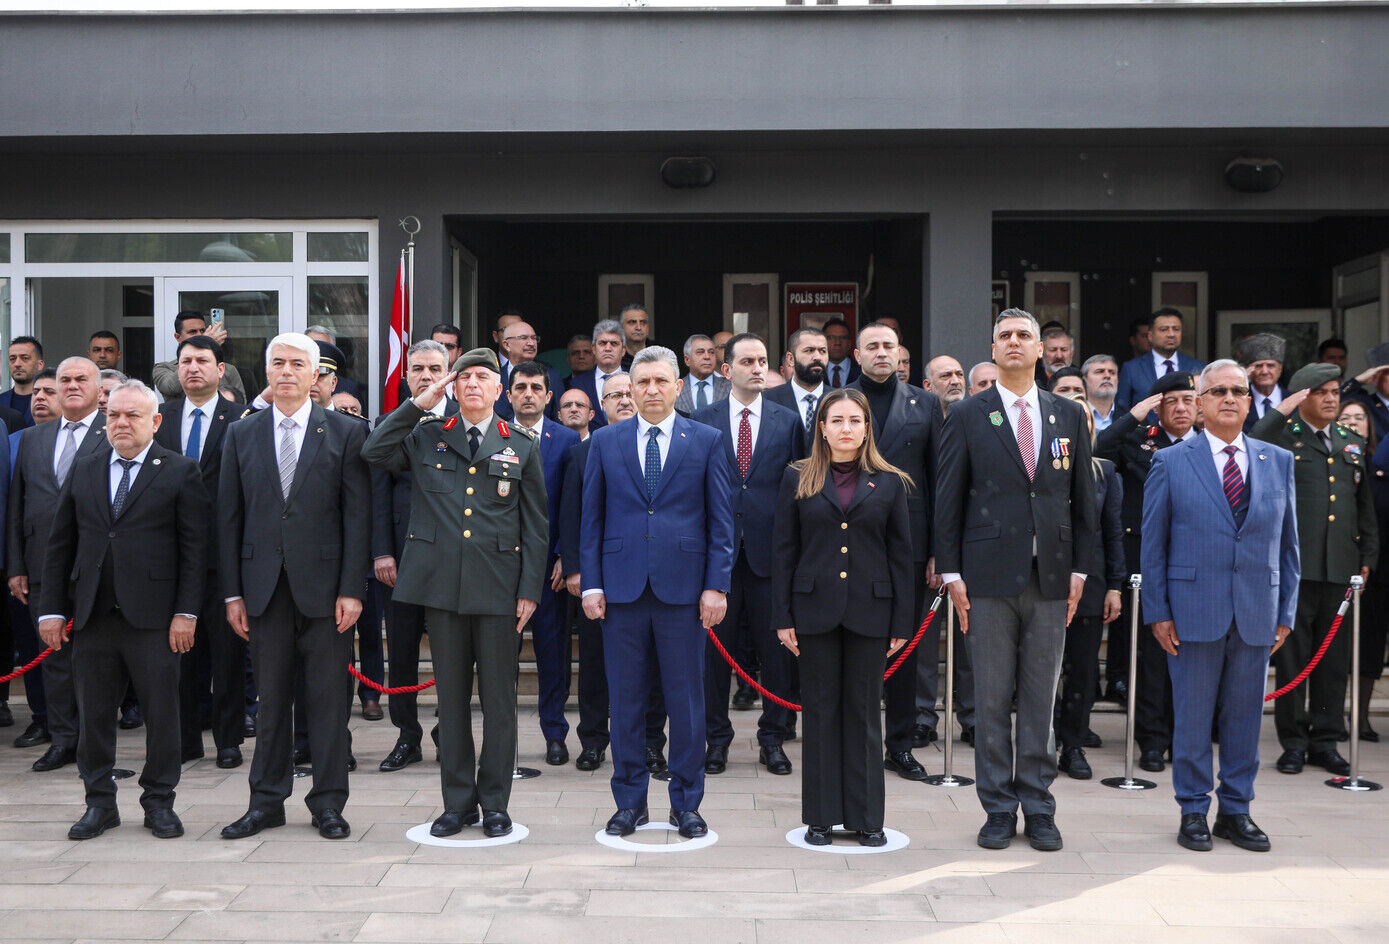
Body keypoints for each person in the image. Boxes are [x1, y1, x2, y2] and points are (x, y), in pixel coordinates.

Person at [363, 348, 547, 839]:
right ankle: (457, 804)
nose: (471, 385)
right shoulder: (427, 436)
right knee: (451, 702)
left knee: (500, 705)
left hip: (498, 591)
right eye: (462, 377)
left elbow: (535, 526)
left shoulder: (522, 445)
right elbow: (375, 451)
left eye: (482, 377)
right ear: (452, 387)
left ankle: (496, 804)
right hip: (442, 591)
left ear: (498, 390)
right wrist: (418, 402)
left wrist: (529, 589)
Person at [935, 308, 1097, 852]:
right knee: (989, 696)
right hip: (986, 577)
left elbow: (1082, 500)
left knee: (1038, 698)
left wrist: (1080, 569)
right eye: (1004, 335)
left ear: (1040, 350)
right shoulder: (967, 413)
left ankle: (1039, 806)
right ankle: (998, 808)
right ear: (994, 347)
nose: (1014, 342)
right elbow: (949, 497)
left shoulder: (1067, 415)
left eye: (1023, 335)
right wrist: (951, 571)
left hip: (1050, 576)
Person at [38, 380, 210, 840]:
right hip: (93, 615)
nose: (121, 423)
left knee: (162, 715)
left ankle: (159, 802)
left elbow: (196, 550)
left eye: (132, 415)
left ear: (154, 422)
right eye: (113, 414)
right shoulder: (86, 467)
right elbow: (61, 544)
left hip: (155, 620)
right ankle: (99, 803)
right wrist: (50, 609)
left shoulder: (179, 471)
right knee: (93, 715)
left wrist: (186, 613)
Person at [218, 332, 370, 841]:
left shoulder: (345, 432)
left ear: (316, 376)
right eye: (278, 363)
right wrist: (233, 593)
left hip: (328, 593)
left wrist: (353, 588)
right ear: (267, 373)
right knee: (270, 699)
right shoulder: (242, 434)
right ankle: (266, 801)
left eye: (297, 364)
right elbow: (229, 519)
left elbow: (357, 517)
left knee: (328, 703)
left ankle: (328, 803)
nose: (287, 372)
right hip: (262, 590)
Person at [1142, 359, 1298, 853]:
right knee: (1191, 716)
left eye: (1238, 391)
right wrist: (1157, 611)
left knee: (1244, 717)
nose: (1229, 398)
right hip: (1192, 610)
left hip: (1256, 610)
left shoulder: (1278, 460)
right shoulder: (1171, 461)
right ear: (1201, 404)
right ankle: (1192, 809)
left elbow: (1288, 546)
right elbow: (1154, 545)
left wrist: (1285, 611)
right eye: (1218, 391)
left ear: (1250, 403)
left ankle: (1236, 810)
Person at [581, 346, 734, 840]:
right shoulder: (605, 441)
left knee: (686, 703)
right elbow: (592, 519)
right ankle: (630, 803)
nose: (649, 391)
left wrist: (716, 585)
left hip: (685, 593)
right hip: (621, 591)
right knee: (624, 702)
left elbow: (721, 521)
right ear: (629, 390)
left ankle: (686, 804)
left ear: (678, 386)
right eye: (640, 383)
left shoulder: (707, 439)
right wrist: (592, 583)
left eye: (659, 382)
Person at [773, 388, 914, 846]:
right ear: (822, 428)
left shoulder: (891, 481)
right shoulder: (797, 477)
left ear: (867, 427)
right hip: (813, 611)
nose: (846, 428)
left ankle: (867, 817)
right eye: (836, 420)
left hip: (870, 613)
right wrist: (782, 615)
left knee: (863, 714)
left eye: (855, 420)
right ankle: (820, 816)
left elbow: (901, 556)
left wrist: (900, 622)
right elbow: (784, 551)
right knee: (819, 714)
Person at [1252, 363, 1378, 776]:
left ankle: (1326, 739)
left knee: (1333, 660)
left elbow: (1364, 508)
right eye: (1320, 392)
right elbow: (1251, 442)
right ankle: (1293, 742)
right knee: (1293, 658)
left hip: (1340, 567)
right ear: (1303, 396)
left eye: (1334, 393)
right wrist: (1280, 411)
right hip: (1295, 568)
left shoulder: (1350, 441)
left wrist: (1368, 555)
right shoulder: (1283, 438)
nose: (1330, 399)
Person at [694, 333, 803, 777]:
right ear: (727, 370)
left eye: (763, 360)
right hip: (716, 559)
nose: (758, 368)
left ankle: (773, 739)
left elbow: (800, 488)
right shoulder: (702, 420)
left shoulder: (788, 421)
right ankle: (716, 741)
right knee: (715, 657)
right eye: (747, 361)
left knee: (775, 651)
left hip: (770, 557)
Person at [560, 371, 670, 773]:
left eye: (629, 392)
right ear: (599, 406)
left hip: (656, 578)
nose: (624, 400)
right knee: (594, 665)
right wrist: (578, 572)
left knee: (654, 668)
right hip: (602, 581)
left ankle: (650, 743)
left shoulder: (666, 447)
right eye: (614, 395)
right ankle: (593, 740)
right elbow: (574, 518)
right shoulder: (583, 453)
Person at [1095, 371, 1200, 769]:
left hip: (1195, 561)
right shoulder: (1140, 440)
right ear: (1159, 406)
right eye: (1171, 401)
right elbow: (1101, 447)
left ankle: (1185, 738)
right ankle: (1152, 740)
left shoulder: (1209, 445)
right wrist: (1136, 415)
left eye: (1188, 400)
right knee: (1151, 654)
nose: (1180, 408)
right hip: (1147, 558)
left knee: (1192, 655)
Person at [8, 357, 107, 772]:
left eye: (80, 379)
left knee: (96, 661)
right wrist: (15, 566)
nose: (70, 386)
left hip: (97, 570)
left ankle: (95, 746)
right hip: (41, 569)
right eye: (63, 380)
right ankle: (63, 739)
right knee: (54, 660)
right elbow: (17, 507)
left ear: (98, 388)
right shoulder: (33, 437)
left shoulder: (114, 433)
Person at [849, 322, 940, 772]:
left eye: (889, 346)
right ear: (857, 353)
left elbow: (939, 478)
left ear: (899, 353)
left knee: (904, 647)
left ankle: (900, 745)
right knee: (856, 643)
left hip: (910, 540)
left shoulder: (925, 404)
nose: (882, 353)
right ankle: (855, 743)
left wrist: (941, 549)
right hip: (851, 539)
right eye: (873, 346)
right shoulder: (840, 402)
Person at [154, 335, 246, 770]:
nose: (192, 368)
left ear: (220, 369)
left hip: (222, 557)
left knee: (226, 657)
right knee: (179, 657)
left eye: (202, 361)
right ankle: (186, 739)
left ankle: (228, 740)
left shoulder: (240, 419)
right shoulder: (161, 417)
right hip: (170, 558)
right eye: (185, 361)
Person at [370, 340, 457, 773]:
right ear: (406, 376)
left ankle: (448, 734)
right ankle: (407, 736)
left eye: (435, 367)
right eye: (418, 368)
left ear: (450, 371)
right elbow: (376, 493)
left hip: (453, 564)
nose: (426, 375)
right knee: (401, 652)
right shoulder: (391, 424)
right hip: (401, 563)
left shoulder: (467, 419)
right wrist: (382, 551)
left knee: (450, 653)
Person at [506, 360, 580, 765]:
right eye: (521, 387)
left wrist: (564, 557)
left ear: (549, 396)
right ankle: (505, 739)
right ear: (509, 394)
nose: (529, 393)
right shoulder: (494, 434)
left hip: (549, 569)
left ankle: (555, 732)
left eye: (537, 387)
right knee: (502, 657)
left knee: (553, 656)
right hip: (501, 568)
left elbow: (572, 504)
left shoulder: (567, 439)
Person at [1055, 390, 1125, 779]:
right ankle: (1046, 737)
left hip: (1091, 584)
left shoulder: (1105, 471)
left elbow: (1111, 532)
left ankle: (1074, 744)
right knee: (1041, 667)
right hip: (1043, 580)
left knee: (1082, 670)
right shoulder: (1039, 465)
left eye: (1084, 419)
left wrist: (1115, 585)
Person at [1342, 400, 1387, 741]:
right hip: (1358, 566)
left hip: (1384, 563)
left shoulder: (1379, 459)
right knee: (1363, 645)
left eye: (1360, 418)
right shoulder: (1338, 460)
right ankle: (1356, 717)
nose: (1354, 423)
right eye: (1346, 418)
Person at [1117, 308, 1205, 412]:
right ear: (1150, 336)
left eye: (1176, 329)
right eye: (1164, 329)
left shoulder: (1198, 367)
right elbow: (1122, 409)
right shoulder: (1131, 368)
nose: (1171, 334)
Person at [152, 311, 247, 403]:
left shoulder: (227, 369)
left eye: (202, 331)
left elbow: (240, 404)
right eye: (193, 332)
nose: (200, 336)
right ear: (178, 337)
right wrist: (205, 343)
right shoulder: (163, 368)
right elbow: (171, 388)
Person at [765, 327, 828, 451]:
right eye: (809, 350)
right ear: (790, 359)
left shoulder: (840, 399)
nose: (817, 357)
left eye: (823, 351)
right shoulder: (767, 400)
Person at [564, 320, 625, 432]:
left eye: (614, 344)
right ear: (593, 349)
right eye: (602, 343)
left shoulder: (634, 380)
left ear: (623, 350)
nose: (608, 348)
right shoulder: (577, 383)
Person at [495, 320, 561, 421]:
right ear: (506, 345)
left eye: (534, 338)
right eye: (524, 338)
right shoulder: (494, 377)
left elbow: (560, 419)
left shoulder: (553, 376)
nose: (531, 343)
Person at [1235, 332, 1286, 432]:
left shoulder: (1296, 402)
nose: (1264, 371)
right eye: (1258, 366)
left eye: (1271, 365)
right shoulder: (1238, 401)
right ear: (1247, 369)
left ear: (1280, 368)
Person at [304, 325, 365, 403]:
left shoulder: (348, 388)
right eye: (311, 345)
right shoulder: (291, 383)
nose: (317, 349)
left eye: (323, 346)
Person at [674, 334, 729, 414]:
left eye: (711, 352)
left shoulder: (730, 387)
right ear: (687, 360)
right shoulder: (674, 389)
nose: (707, 357)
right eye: (700, 352)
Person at [2, 336, 44, 428]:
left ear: (39, 365)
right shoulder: (1, 400)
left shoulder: (49, 402)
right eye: (12, 359)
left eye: (25, 358)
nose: (17, 364)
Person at [1081, 355, 1120, 431]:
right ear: (1084, 380)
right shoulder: (1076, 414)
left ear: (1118, 380)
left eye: (1112, 372)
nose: (1107, 376)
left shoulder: (1127, 415)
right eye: (1100, 372)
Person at [822, 318, 859, 389]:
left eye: (843, 338)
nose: (837, 342)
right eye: (832, 337)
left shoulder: (861, 370)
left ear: (849, 343)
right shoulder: (816, 370)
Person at [618, 304, 650, 368]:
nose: (638, 327)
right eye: (632, 322)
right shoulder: (615, 356)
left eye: (643, 322)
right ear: (621, 327)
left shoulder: (660, 354)